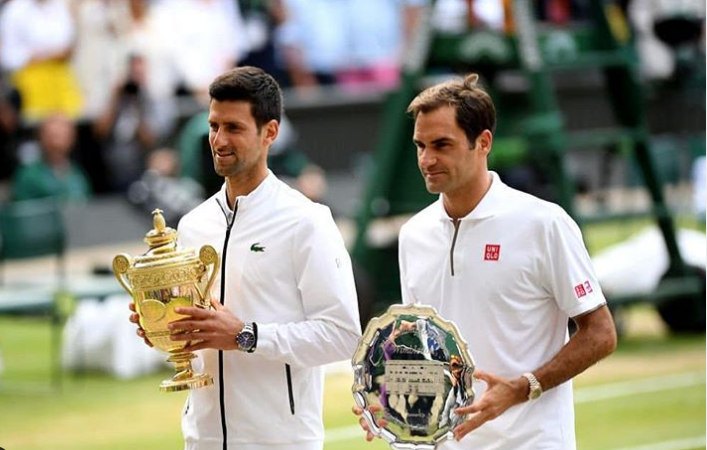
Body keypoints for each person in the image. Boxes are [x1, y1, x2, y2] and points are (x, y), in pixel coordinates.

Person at [354, 73, 617, 449]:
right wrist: (389, 406)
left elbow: (600, 333)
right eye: (420, 145)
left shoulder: (545, 223)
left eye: (441, 145)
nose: (427, 159)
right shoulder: (414, 234)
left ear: (483, 142)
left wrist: (523, 387)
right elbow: (425, 347)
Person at [128, 66, 361, 450]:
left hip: (280, 441)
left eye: (233, 128)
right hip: (201, 439)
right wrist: (165, 327)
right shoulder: (192, 224)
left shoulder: (307, 222)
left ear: (270, 132)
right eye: (213, 125)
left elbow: (344, 336)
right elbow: (201, 336)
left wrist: (245, 335)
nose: (218, 139)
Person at [11, 113, 91, 202]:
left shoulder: (78, 175)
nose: (55, 142)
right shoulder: (28, 176)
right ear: (40, 138)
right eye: (51, 136)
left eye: (61, 136)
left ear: (72, 138)